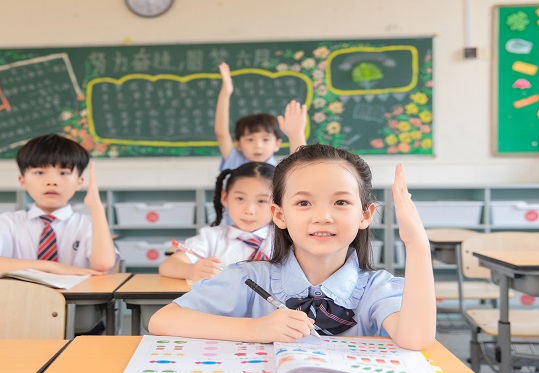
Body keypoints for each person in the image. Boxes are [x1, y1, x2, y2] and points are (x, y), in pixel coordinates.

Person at [150, 144, 436, 350]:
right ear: (279, 215)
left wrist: (418, 245)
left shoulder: (377, 288)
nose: (323, 216)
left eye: (341, 202)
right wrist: (255, 329)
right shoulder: (249, 279)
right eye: (303, 203)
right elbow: (163, 320)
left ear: (365, 215)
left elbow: (416, 339)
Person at [0, 133, 119, 334]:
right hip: (19, 317)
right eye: (40, 173)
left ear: (80, 181)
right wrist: (51, 268)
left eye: (64, 173)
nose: (51, 182)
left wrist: (96, 207)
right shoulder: (9, 221)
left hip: (77, 320)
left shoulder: (85, 224)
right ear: (22, 180)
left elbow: (103, 265)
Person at [159, 162, 275, 283]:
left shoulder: (286, 239)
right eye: (240, 198)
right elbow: (167, 266)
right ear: (225, 197)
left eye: (262, 201)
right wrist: (191, 270)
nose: (249, 211)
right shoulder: (211, 238)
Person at [215, 62, 307, 171]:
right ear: (238, 144)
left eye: (265, 139)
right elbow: (222, 134)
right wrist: (225, 93)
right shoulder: (235, 161)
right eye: (250, 139)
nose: (258, 145)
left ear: (277, 144)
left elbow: (300, 167)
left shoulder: (281, 172)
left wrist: (296, 135)